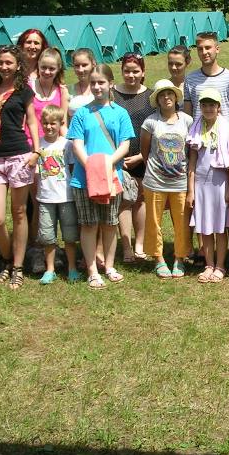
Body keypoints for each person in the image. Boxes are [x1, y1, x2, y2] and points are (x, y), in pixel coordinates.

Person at [0, 44, 40, 290]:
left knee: (19, 213)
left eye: (9, 63)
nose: (4, 67)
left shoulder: (24, 92)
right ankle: (7, 258)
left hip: (19, 156)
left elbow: (32, 122)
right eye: (1, 63)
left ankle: (17, 266)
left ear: (17, 66)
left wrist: (36, 151)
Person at [68, 64, 134, 290]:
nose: (97, 87)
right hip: (84, 179)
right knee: (89, 224)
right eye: (93, 83)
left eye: (101, 82)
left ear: (110, 84)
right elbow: (77, 144)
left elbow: (125, 144)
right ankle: (92, 270)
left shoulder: (120, 113)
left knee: (109, 223)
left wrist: (107, 164)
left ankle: (109, 266)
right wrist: (92, 167)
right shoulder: (81, 113)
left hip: (112, 177)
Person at [139, 79, 193, 279]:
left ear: (175, 97)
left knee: (182, 222)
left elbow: (191, 150)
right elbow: (145, 151)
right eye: (162, 95)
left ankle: (180, 258)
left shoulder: (187, 120)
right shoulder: (150, 122)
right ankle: (158, 258)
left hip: (180, 182)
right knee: (154, 221)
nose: (166, 97)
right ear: (157, 100)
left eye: (169, 93)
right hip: (155, 181)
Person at [186, 88, 229, 283]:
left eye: (212, 105)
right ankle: (209, 264)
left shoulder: (226, 129)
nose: (208, 108)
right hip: (201, 183)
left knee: (220, 227)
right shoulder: (196, 129)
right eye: (204, 105)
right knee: (204, 227)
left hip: (220, 182)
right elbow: (192, 162)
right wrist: (190, 190)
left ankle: (220, 265)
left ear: (219, 107)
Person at [113, 52, 154, 263]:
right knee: (124, 201)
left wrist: (141, 156)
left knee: (140, 199)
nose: (131, 75)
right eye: (127, 71)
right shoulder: (112, 94)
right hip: (118, 158)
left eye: (135, 71)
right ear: (122, 71)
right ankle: (126, 246)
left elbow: (156, 130)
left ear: (143, 72)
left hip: (142, 157)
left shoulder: (151, 96)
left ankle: (139, 244)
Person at [35, 104, 79, 284]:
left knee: (69, 236)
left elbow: (72, 168)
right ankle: (50, 269)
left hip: (66, 197)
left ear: (61, 123)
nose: (49, 127)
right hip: (45, 198)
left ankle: (72, 268)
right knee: (47, 237)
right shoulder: (38, 144)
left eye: (53, 123)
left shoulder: (67, 144)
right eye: (45, 123)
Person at [183, 31, 229, 124]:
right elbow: (187, 114)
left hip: (223, 132)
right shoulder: (190, 79)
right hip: (197, 132)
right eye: (200, 49)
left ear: (217, 49)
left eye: (208, 48)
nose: (204, 52)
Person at [68, 48, 96, 118]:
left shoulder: (101, 89)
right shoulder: (68, 91)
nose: (80, 70)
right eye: (77, 65)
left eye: (84, 65)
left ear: (93, 64)